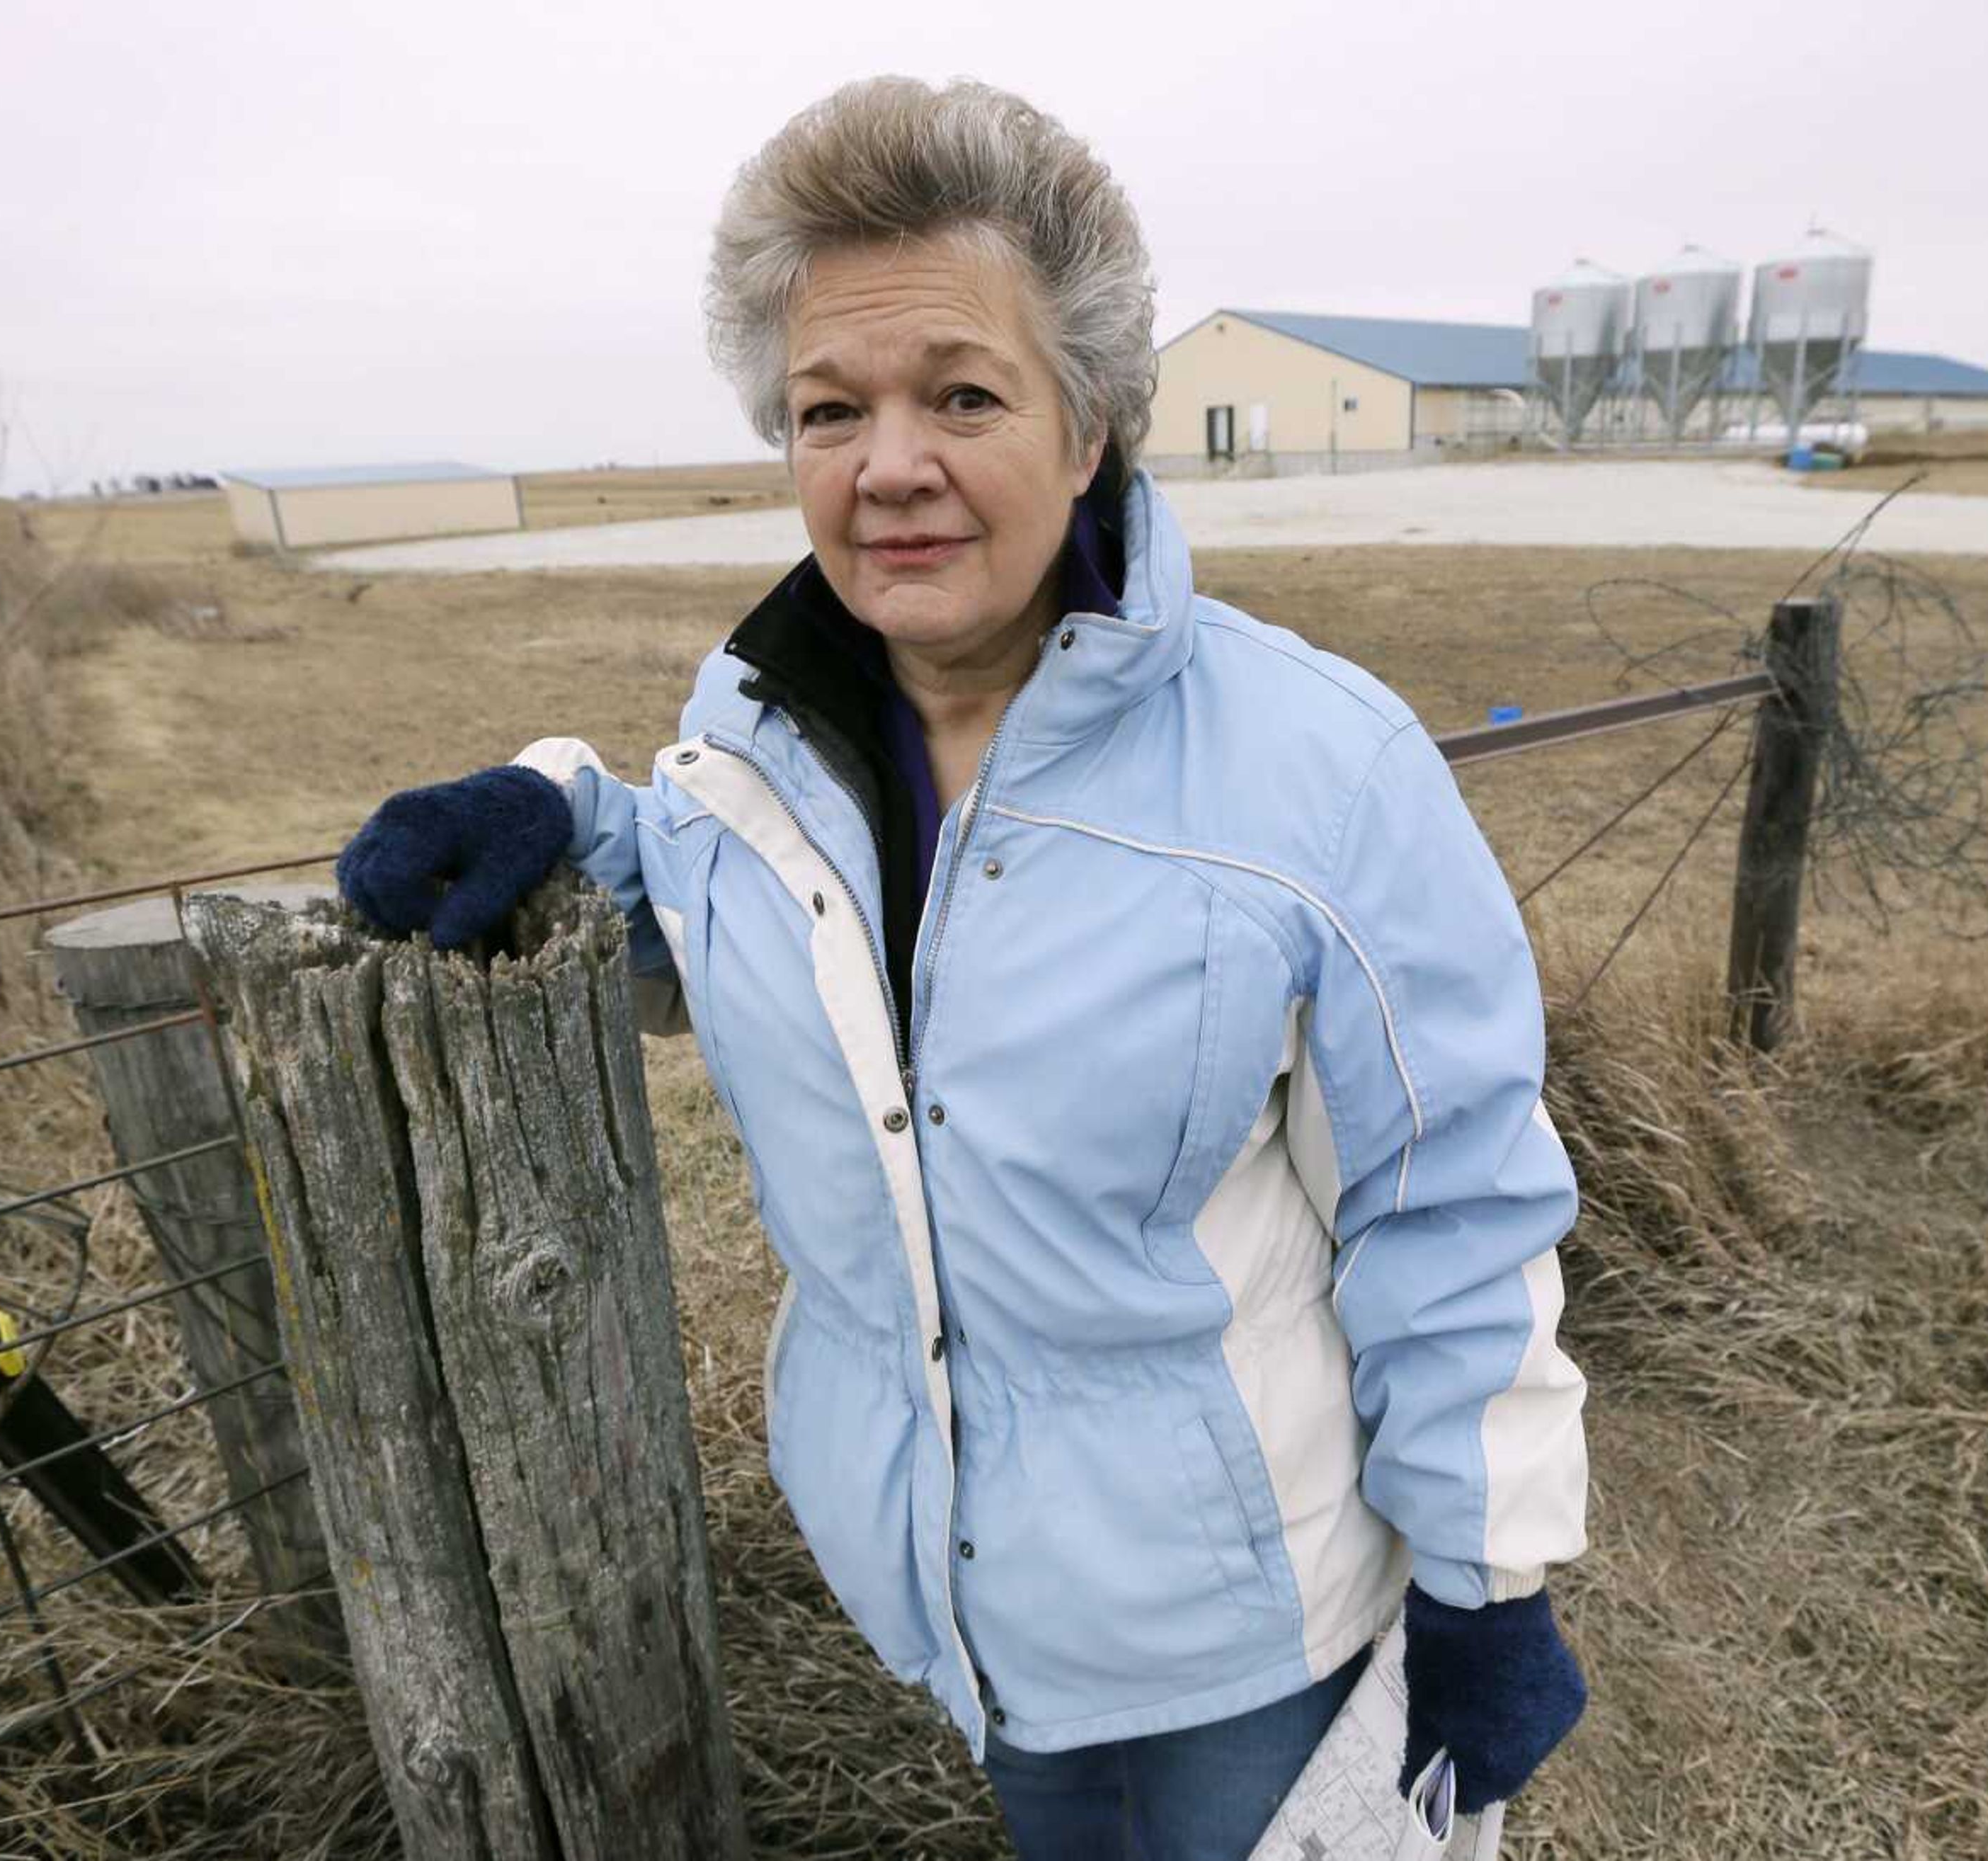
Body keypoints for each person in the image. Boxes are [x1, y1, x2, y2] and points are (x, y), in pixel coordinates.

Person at [336, 76, 1589, 1860]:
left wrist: (1486, 1578)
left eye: (963, 395)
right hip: (953, 1595)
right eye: (829, 408)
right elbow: (740, 901)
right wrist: (564, 815)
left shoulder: (1321, 769)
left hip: (1250, 1631)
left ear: (1090, 427)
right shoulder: (758, 739)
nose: (888, 463)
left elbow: (1448, 1199)